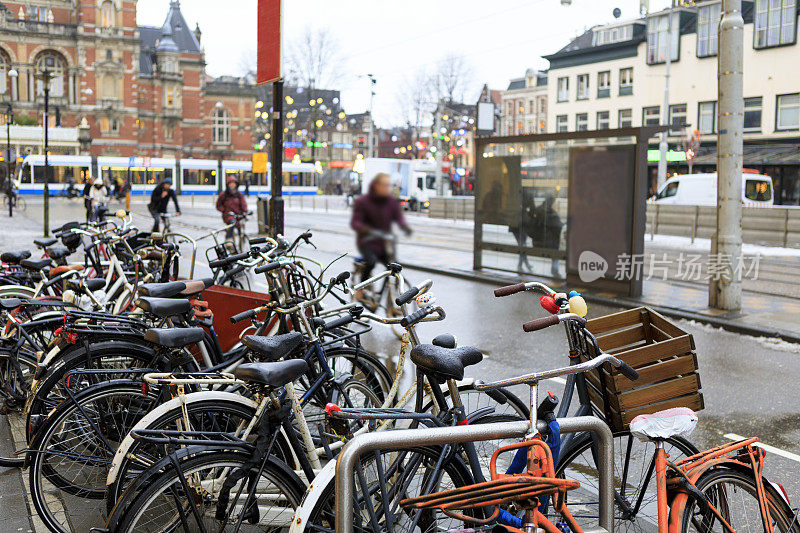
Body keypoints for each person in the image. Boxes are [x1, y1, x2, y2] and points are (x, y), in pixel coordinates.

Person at [350, 172, 412, 285]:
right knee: (371, 262)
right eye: (384, 185)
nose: (387, 188)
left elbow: (398, 216)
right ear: (376, 185)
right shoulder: (363, 201)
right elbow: (355, 222)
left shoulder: (390, 201)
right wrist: (365, 229)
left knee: (394, 265)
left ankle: (391, 290)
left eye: (388, 185)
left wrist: (404, 226)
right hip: (367, 241)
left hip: (384, 241)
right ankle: (360, 288)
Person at [530, 195, 563, 278]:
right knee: (556, 252)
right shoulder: (551, 214)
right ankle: (555, 270)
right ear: (551, 203)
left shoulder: (538, 210)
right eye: (554, 203)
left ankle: (554, 270)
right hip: (548, 241)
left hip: (538, 240)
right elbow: (558, 227)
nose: (555, 205)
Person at [216, 175, 248, 241]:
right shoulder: (224, 194)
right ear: (228, 185)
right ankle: (228, 240)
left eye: (234, 183)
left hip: (239, 215)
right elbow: (218, 205)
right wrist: (224, 211)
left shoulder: (239, 194)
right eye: (231, 183)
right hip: (228, 215)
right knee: (232, 223)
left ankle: (242, 242)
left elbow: (243, 204)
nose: (232, 185)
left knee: (241, 227)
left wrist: (245, 211)